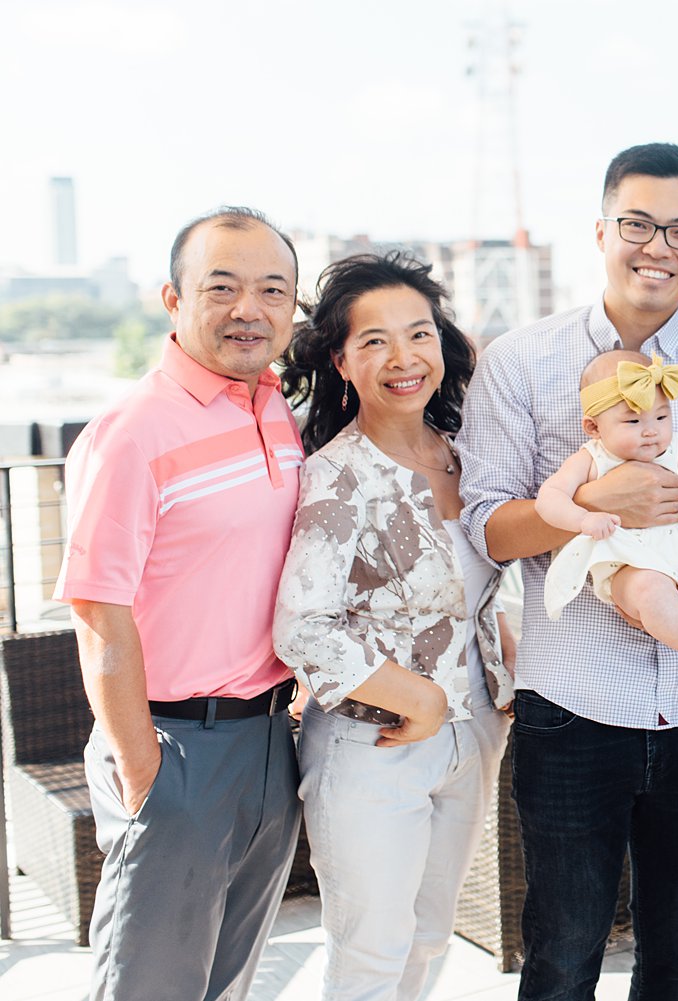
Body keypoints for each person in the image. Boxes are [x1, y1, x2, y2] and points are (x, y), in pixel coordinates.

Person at [456, 142, 678, 1001]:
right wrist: (605, 500)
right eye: (637, 223)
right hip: (572, 705)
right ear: (601, 230)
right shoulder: (520, 360)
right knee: (560, 956)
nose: (656, 246)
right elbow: (486, 525)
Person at [54, 207, 304, 1001]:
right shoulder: (130, 432)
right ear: (173, 299)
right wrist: (142, 769)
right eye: (221, 287)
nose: (249, 308)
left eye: (272, 289)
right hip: (175, 746)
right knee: (151, 988)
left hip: (270, 742)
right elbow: (98, 611)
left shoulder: (273, 410)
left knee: (227, 983)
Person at [273, 252, 514, 1001]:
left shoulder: (467, 455)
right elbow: (300, 627)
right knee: (371, 957)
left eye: (419, 334)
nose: (404, 357)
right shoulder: (337, 477)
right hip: (372, 742)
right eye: (374, 340)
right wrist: (422, 699)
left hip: (471, 733)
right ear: (341, 361)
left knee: (430, 940)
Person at [538, 348, 678, 670]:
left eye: (661, 416)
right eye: (632, 420)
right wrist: (583, 517)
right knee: (649, 589)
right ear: (594, 427)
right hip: (630, 565)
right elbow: (550, 497)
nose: (651, 430)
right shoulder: (590, 459)